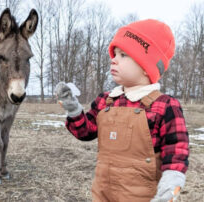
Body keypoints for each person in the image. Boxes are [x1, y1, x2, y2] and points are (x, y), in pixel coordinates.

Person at [55, 19, 189, 202]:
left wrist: (170, 186)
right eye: (114, 53)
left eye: (123, 55)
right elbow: (84, 132)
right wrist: (72, 108)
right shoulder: (105, 101)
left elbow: (177, 153)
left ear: (146, 67)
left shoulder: (165, 106)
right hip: (102, 194)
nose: (113, 59)